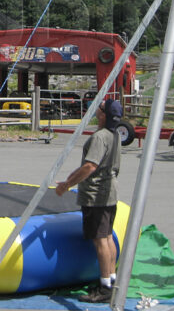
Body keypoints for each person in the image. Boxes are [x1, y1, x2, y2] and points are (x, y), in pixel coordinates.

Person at [55, 98, 122, 303]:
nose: (96, 109)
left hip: (96, 195)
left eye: (99, 108)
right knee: (107, 236)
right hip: (109, 192)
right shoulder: (115, 135)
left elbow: (90, 166)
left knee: (100, 239)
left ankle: (105, 288)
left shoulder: (100, 137)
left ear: (103, 114)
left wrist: (67, 184)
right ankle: (110, 280)